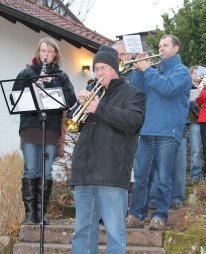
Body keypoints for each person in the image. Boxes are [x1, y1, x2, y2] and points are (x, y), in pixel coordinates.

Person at [70, 45, 146, 253]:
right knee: (82, 232)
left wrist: (99, 108)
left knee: (114, 231)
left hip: (111, 173)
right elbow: (74, 124)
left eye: (103, 67)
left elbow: (133, 121)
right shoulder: (92, 93)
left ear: (115, 69)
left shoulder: (134, 94)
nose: (99, 73)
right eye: (96, 68)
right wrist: (80, 106)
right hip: (84, 172)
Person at [126, 34, 191, 230]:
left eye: (165, 45)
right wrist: (139, 69)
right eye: (160, 46)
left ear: (176, 48)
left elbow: (167, 89)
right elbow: (138, 91)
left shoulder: (182, 72)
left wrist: (147, 69)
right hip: (147, 131)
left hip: (167, 132)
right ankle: (137, 214)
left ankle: (160, 215)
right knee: (140, 177)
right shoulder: (152, 71)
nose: (161, 49)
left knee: (164, 178)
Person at [11, 37, 77, 225]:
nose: (45, 54)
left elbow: (71, 100)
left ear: (55, 54)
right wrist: (31, 87)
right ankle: (30, 215)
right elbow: (15, 98)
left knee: (46, 172)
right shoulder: (27, 73)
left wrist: (52, 85)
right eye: (42, 51)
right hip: (30, 127)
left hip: (51, 128)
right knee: (31, 170)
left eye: (49, 51)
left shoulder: (61, 76)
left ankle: (41, 214)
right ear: (38, 53)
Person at [188, 66, 203, 184]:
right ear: (191, 75)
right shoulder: (187, 87)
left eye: (199, 73)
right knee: (196, 149)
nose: (197, 75)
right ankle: (195, 175)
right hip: (195, 121)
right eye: (195, 73)